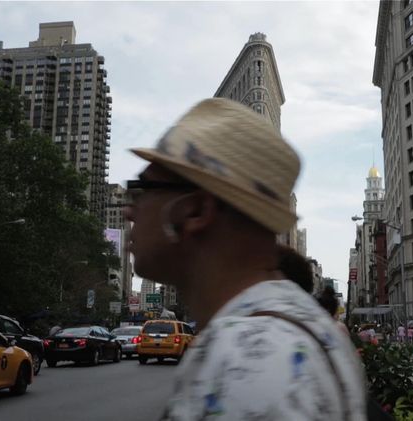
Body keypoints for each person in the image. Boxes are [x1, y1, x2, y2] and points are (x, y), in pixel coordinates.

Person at [124, 98, 366, 420]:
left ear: (194, 212)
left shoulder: (250, 359)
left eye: (142, 190)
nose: (129, 209)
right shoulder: (290, 326)